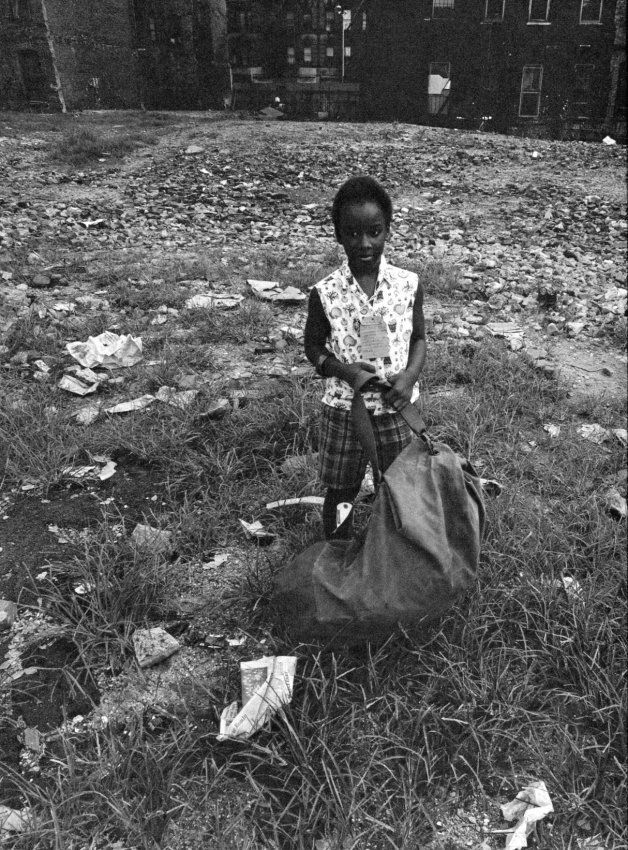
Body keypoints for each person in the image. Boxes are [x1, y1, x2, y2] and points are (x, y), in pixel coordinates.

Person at [304, 175, 427, 540]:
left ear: (387, 230)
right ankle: (338, 554)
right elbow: (313, 348)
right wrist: (343, 371)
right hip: (345, 409)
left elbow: (419, 338)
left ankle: (392, 554)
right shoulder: (324, 293)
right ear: (338, 234)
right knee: (341, 491)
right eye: (352, 233)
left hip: (396, 407)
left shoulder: (408, 284)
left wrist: (409, 378)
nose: (364, 243)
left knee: (399, 487)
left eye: (374, 231)